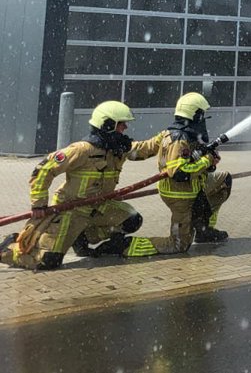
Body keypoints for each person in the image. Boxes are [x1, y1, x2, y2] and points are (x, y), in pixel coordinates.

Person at [0, 101, 158, 271]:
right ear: (108, 125)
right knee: (47, 261)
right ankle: (7, 249)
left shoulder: (118, 149)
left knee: (132, 219)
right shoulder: (81, 150)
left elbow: (144, 149)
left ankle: (82, 237)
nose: (125, 128)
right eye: (121, 124)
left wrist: (166, 136)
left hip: (99, 207)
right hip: (70, 211)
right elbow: (43, 170)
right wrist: (39, 203)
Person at [116, 92, 232, 258]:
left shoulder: (175, 134)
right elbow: (179, 173)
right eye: (202, 114)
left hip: (194, 187)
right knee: (179, 245)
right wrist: (207, 160)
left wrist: (210, 164)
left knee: (224, 181)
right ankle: (124, 246)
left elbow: (144, 148)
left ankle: (205, 230)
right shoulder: (179, 138)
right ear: (195, 114)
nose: (204, 119)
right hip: (179, 195)